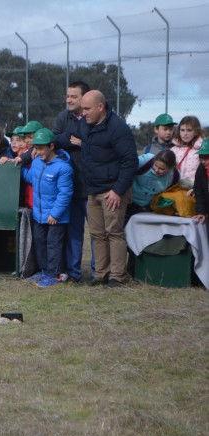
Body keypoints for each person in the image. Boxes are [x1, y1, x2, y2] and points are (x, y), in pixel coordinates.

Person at [80, 90, 137, 288]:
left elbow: (130, 161)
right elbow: (66, 138)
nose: (83, 113)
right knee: (97, 234)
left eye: (87, 109)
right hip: (93, 190)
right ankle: (100, 275)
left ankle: (117, 277)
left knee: (114, 233)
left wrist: (118, 190)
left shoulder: (118, 128)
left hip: (111, 191)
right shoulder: (86, 125)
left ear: (100, 107)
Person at [21, 128, 74, 287]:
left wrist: (55, 214)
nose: (38, 151)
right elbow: (30, 177)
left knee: (53, 244)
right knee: (39, 242)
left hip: (55, 217)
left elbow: (65, 194)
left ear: (51, 146)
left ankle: (55, 274)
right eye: (36, 148)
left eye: (41, 148)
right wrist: (17, 166)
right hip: (39, 215)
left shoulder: (64, 168)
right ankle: (44, 271)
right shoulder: (36, 162)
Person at [52, 80, 91, 284]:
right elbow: (55, 141)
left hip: (91, 186)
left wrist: (84, 143)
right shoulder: (62, 117)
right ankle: (74, 273)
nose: (69, 99)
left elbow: (98, 143)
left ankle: (97, 273)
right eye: (67, 96)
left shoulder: (93, 118)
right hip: (70, 187)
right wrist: (73, 137)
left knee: (97, 234)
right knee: (74, 233)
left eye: (74, 96)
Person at [128, 150, 179, 218]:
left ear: (170, 168)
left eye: (161, 168)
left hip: (149, 207)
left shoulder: (175, 176)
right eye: (155, 165)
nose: (156, 170)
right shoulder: (144, 161)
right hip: (129, 201)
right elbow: (125, 172)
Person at [170, 115, 204, 186]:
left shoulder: (202, 150)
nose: (185, 133)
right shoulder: (173, 150)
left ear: (196, 132)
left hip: (195, 189)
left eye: (189, 130)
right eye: (182, 130)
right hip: (174, 187)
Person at [192, 140, 209, 237]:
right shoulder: (201, 169)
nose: (203, 161)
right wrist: (201, 211)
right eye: (201, 158)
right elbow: (199, 192)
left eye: (206, 158)